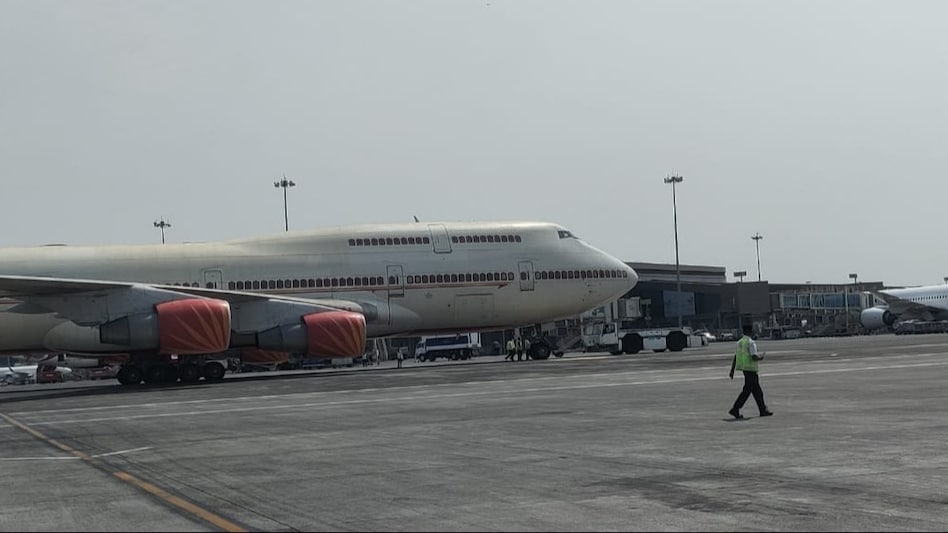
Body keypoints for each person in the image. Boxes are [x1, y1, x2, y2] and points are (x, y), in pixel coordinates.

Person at [729, 324, 773, 419]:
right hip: (751, 370)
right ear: (751, 331)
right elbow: (754, 356)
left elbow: (736, 356)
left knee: (757, 391)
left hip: (745, 370)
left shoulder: (739, 342)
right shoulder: (750, 342)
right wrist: (761, 357)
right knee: (747, 392)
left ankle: (762, 409)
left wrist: (732, 370)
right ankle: (735, 409)